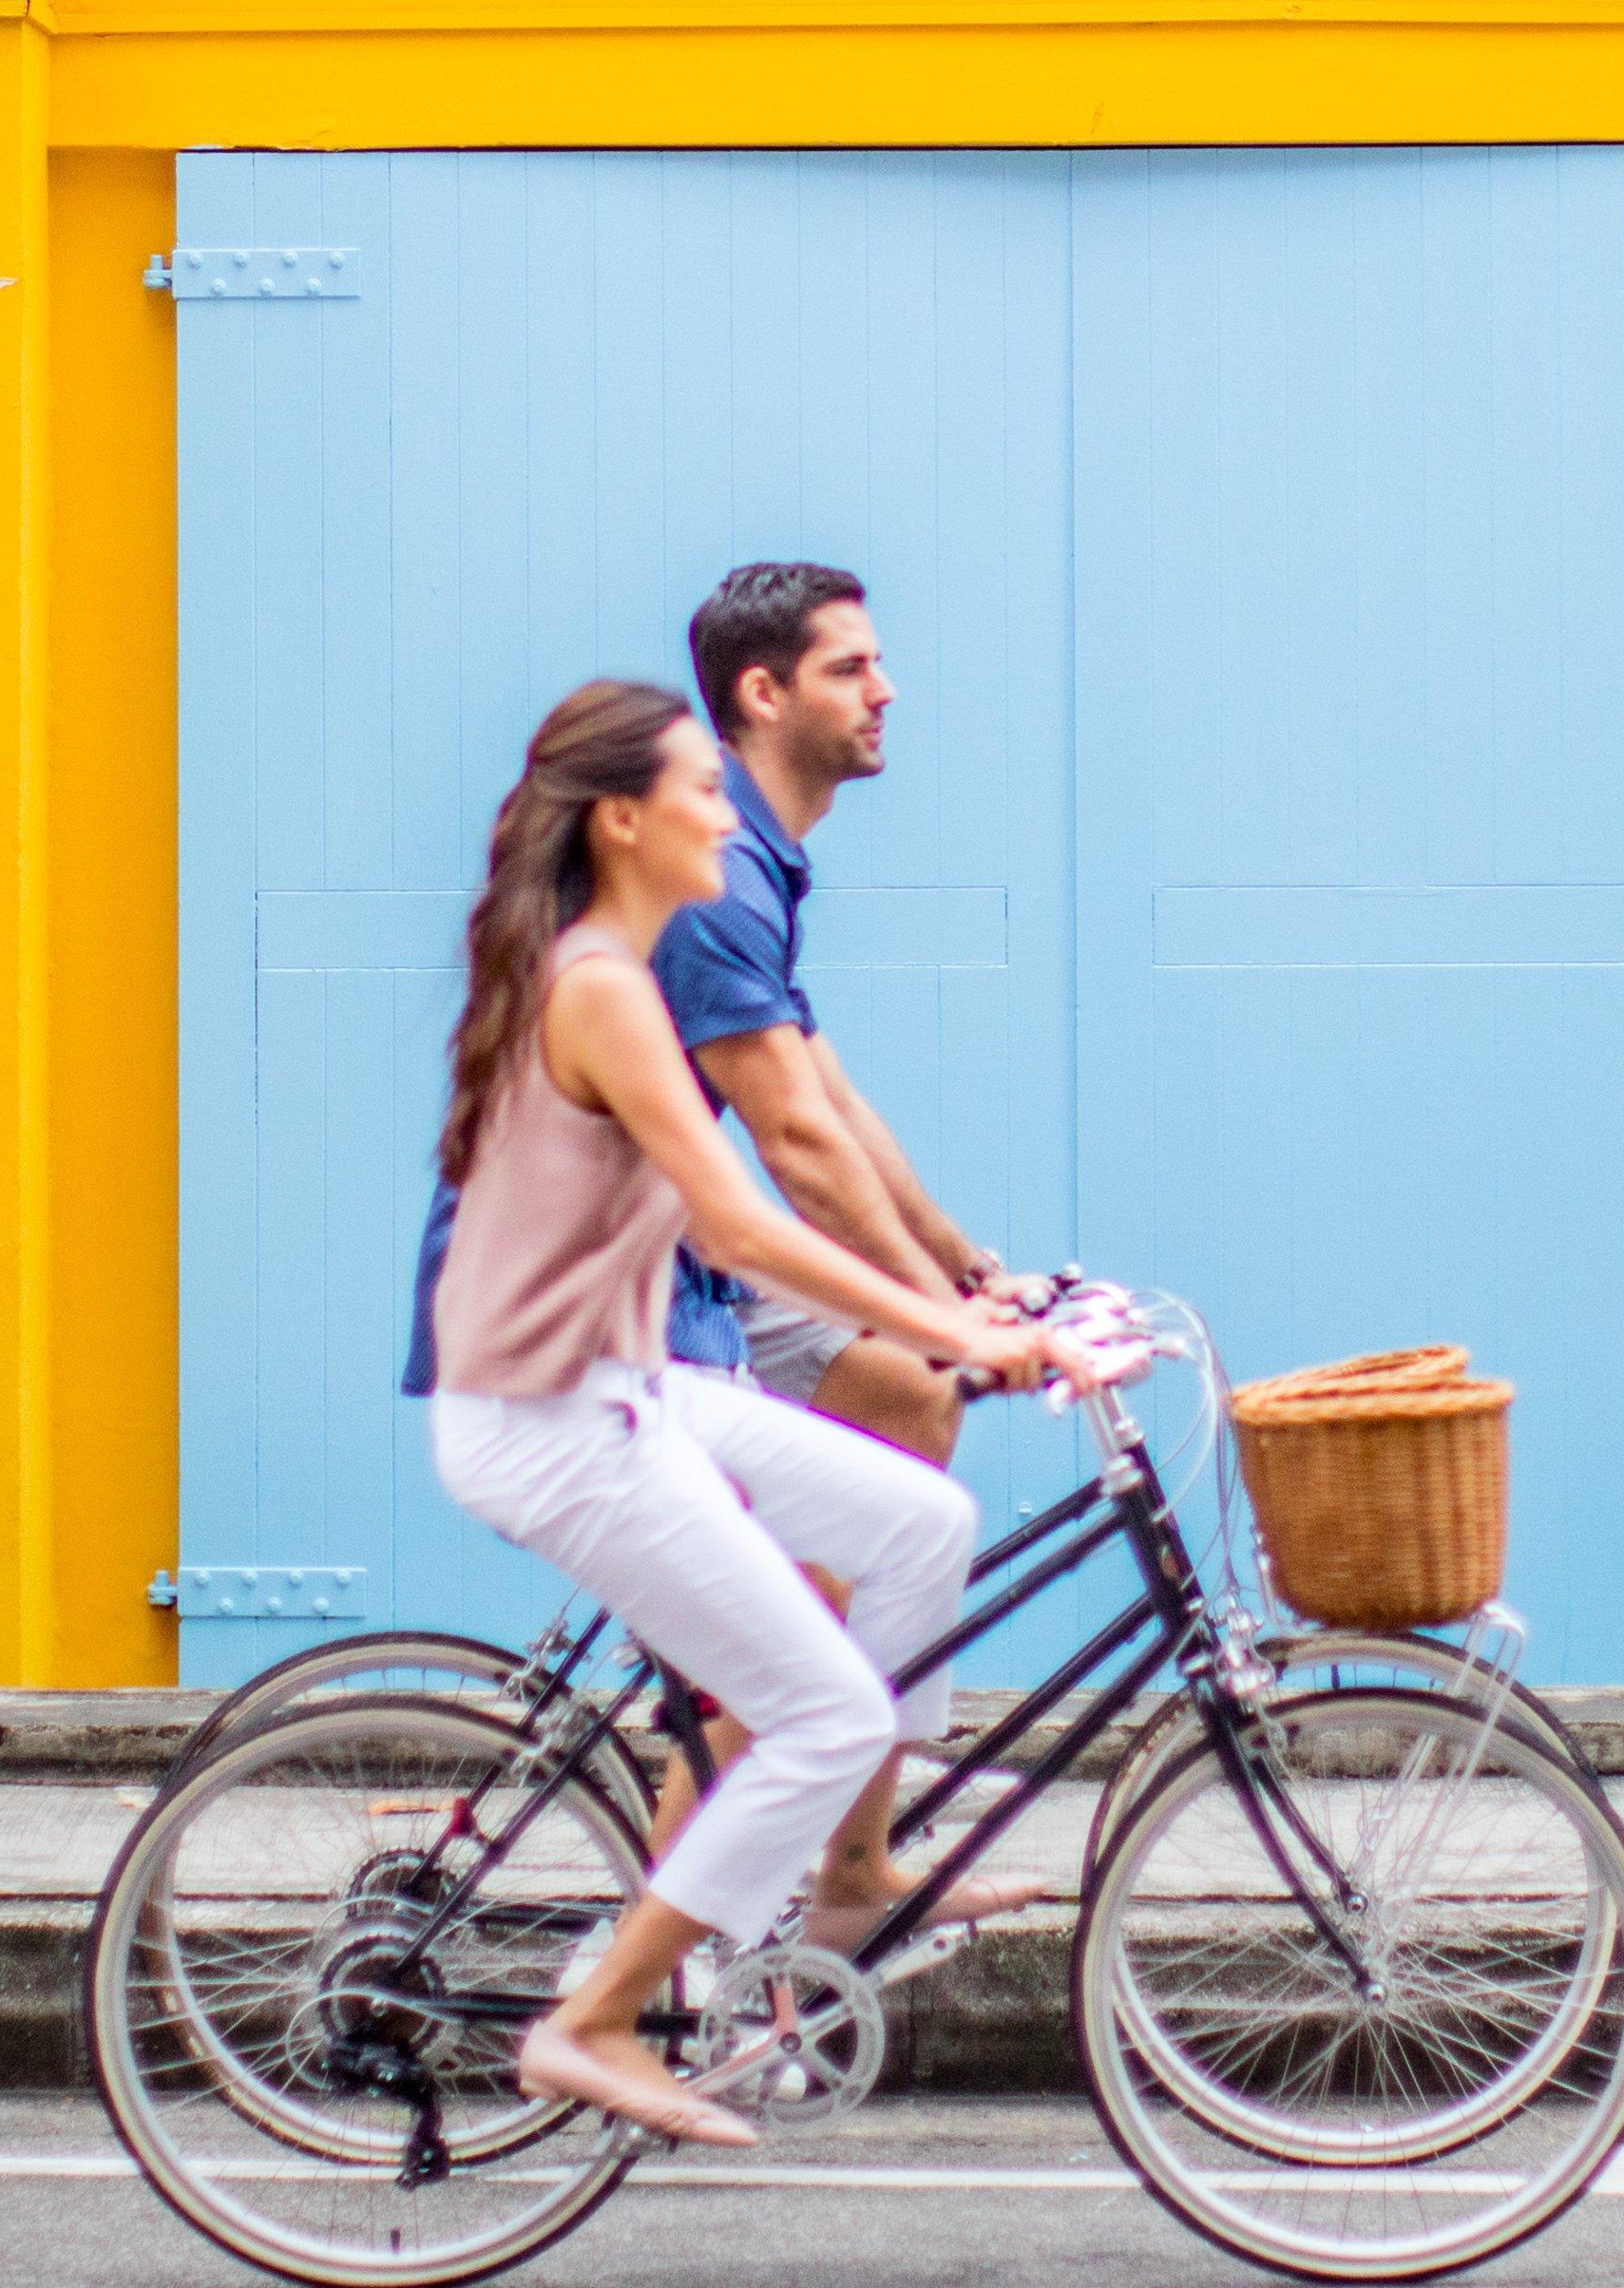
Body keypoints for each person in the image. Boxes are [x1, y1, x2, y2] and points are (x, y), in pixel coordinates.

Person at [415, 677, 1077, 2148]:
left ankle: (854, 1872)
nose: (726, 808)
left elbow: (785, 1154)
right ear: (622, 818)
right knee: (822, 1705)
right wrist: (959, 1326)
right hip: (549, 1424)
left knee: (924, 1519)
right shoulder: (598, 983)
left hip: (631, 1394)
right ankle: (591, 2018)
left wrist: (965, 1291)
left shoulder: (615, 969)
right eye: (697, 790)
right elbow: (745, 1221)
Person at [659, 562, 995, 1465]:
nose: (885, 690)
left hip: (682, 1253)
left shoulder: (757, 859)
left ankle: (820, 1612)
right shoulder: (717, 875)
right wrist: (951, 1323)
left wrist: (966, 1274)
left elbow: (830, 1097)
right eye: (848, 670)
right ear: (763, 692)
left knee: (912, 1396)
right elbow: (799, 1140)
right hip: (621, 1286)